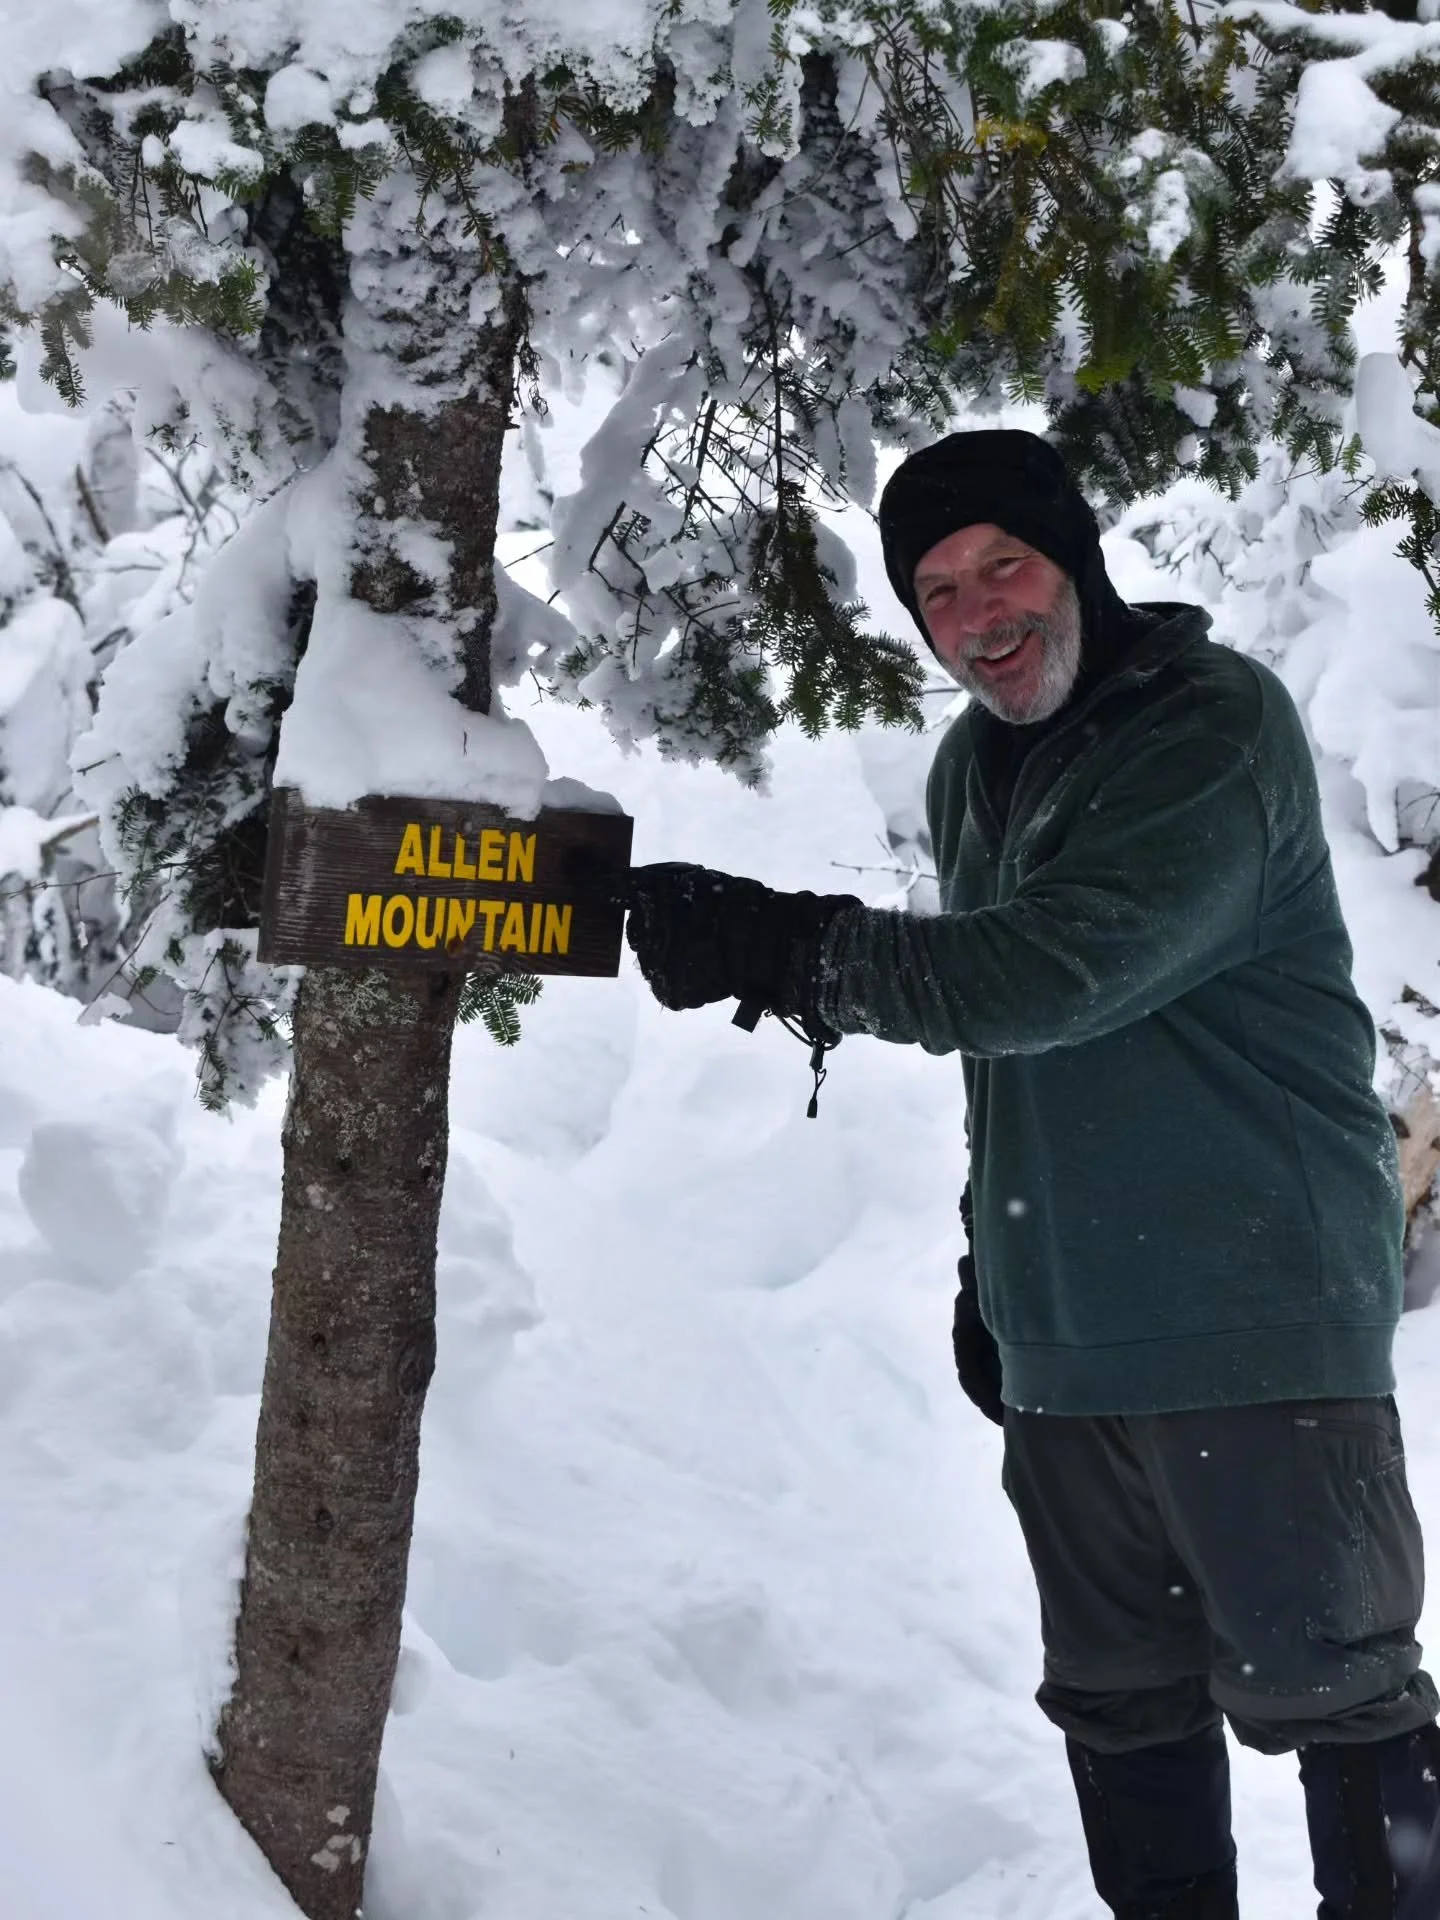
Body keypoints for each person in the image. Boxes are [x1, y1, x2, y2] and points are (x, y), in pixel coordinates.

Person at [622, 429, 1440, 1920]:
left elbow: (1051, 974)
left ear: (1078, 560)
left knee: (1342, 1703)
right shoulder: (970, 768)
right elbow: (1021, 1063)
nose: (980, 614)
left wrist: (783, 945)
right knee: (1122, 1709)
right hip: (1070, 1340)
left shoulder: (1208, 726)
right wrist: (989, 1267)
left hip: (1256, 1317)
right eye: (937, 592)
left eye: (1006, 565)